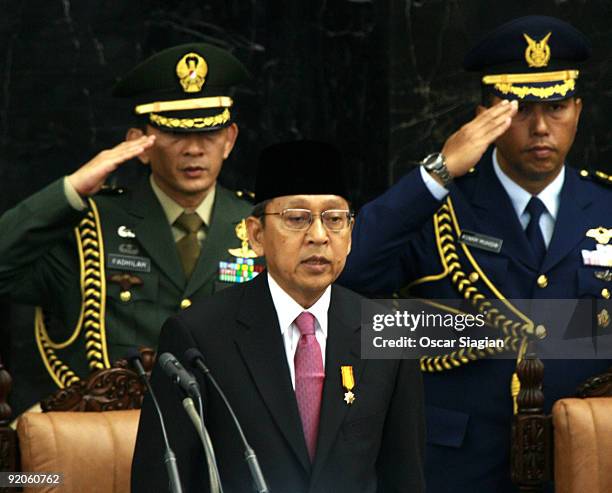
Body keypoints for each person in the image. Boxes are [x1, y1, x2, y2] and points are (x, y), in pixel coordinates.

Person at [339, 16, 612, 492]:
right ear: (485, 113)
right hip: (455, 466)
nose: (542, 126)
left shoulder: (606, 207)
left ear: (579, 109)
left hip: (584, 460)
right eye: (521, 108)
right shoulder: (438, 206)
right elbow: (346, 275)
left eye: (557, 105)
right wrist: (437, 173)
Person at [131, 140, 425, 493]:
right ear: (256, 235)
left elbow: (405, 475)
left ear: (349, 236)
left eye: (334, 220)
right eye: (297, 219)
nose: (318, 236)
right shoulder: (199, 336)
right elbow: (161, 479)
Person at [0, 43, 255, 393]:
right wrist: (71, 190)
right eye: (177, 133)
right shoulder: (90, 227)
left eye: (208, 133)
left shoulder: (261, 226)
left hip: (231, 433)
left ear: (229, 140)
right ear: (140, 143)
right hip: (117, 435)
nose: (194, 149)